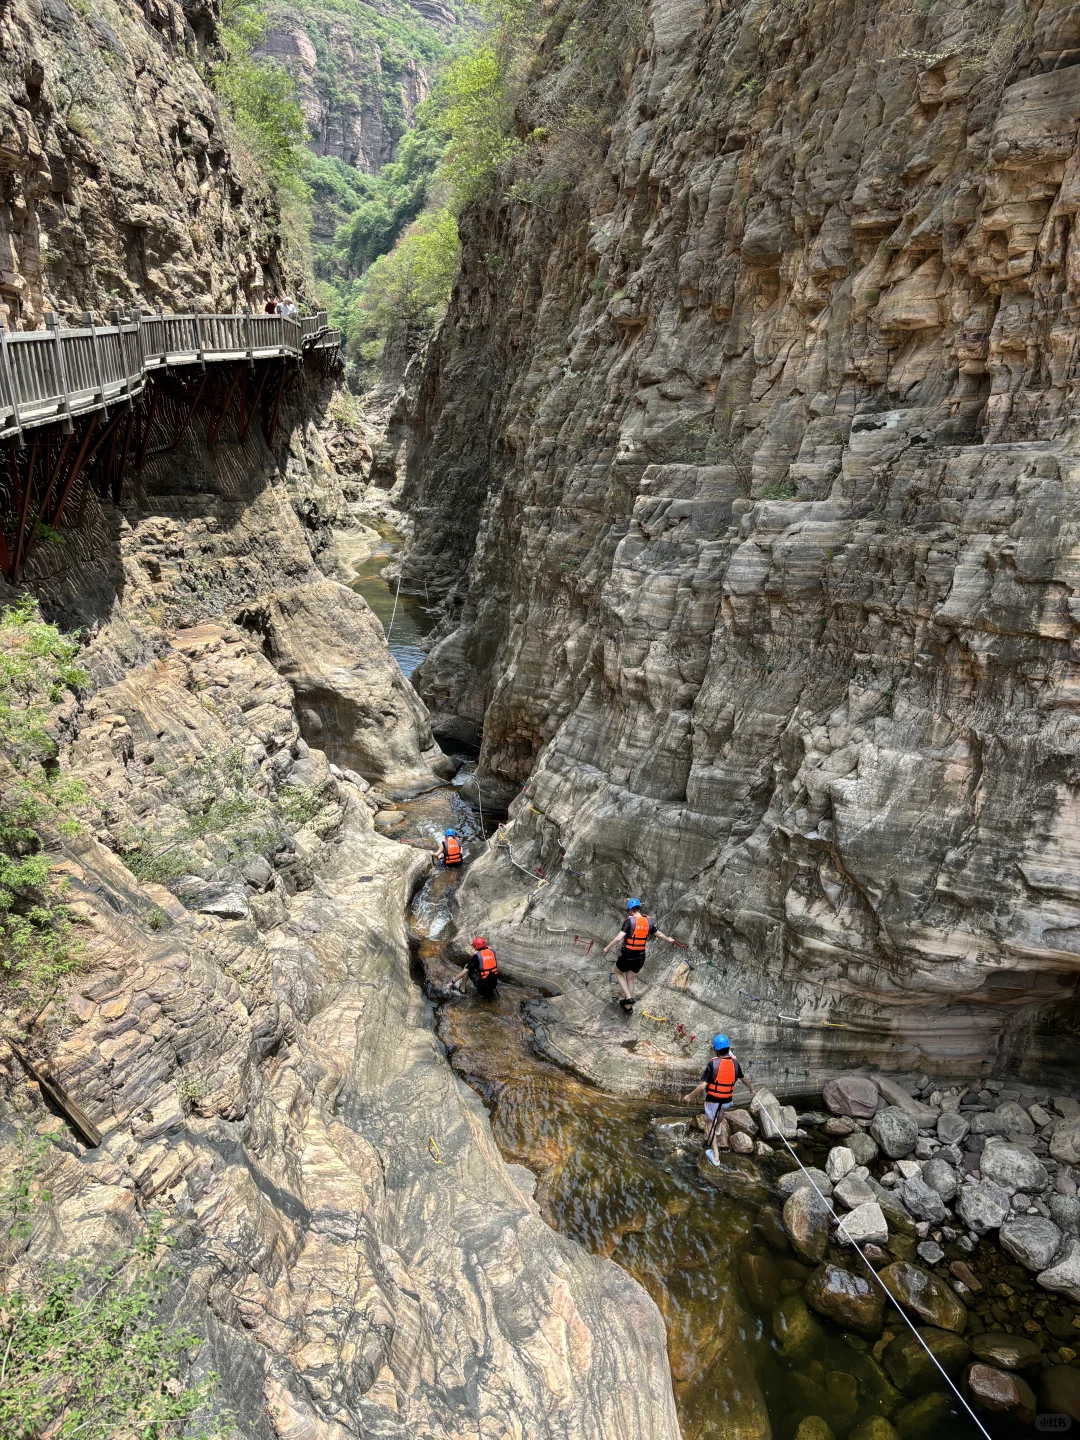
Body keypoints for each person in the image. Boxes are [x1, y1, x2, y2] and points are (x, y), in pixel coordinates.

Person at [683, 1034, 757, 1166]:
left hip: (713, 1100)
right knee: (721, 1113)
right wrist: (751, 1089)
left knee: (709, 1124)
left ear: (715, 1050)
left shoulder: (713, 1064)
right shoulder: (735, 1064)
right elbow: (743, 1078)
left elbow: (703, 1086)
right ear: (728, 1049)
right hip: (727, 1100)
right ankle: (718, 1127)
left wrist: (690, 1096)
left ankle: (716, 1156)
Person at [602, 897, 676, 1012]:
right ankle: (628, 1007)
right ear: (639, 909)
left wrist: (607, 947)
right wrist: (669, 939)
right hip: (640, 957)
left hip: (627, 955)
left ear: (630, 911)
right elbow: (659, 934)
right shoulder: (648, 921)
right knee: (630, 979)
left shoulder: (629, 921)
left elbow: (618, 938)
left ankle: (629, 997)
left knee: (617, 971)